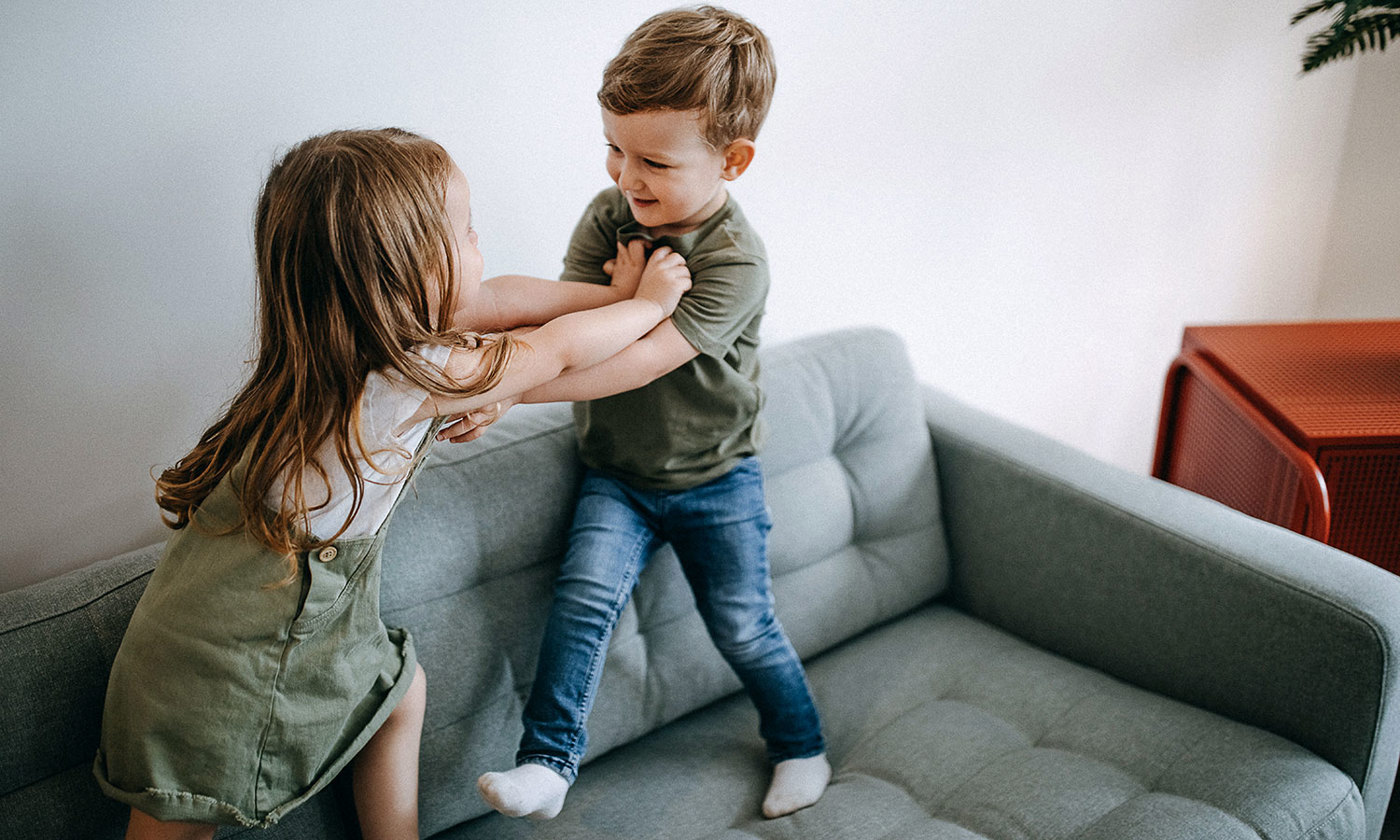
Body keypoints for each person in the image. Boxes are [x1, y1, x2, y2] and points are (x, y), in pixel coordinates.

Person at [93, 127, 690, 839]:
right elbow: (552, 350)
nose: (479, 242)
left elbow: (498, 298)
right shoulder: (399, 381)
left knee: (397, 694)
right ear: (408, 271)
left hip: (246, 619)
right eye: (466, 231)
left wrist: (608, 292)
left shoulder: (345, 347)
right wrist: (649, 305)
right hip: (232, 656)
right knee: (185, 804)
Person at [470, 5, 830, 822]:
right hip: (617, 474)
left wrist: (508, 389)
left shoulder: (734, 261)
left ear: (732, 160)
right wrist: (623, 297)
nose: (625, 178)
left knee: (744, 626)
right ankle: (547, 765)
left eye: (654, 161)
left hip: (717, 477)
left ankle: (800, 744)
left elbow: (631, 363)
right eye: (615, 148)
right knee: (582, 603)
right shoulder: (610, 217)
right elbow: (561, 328)